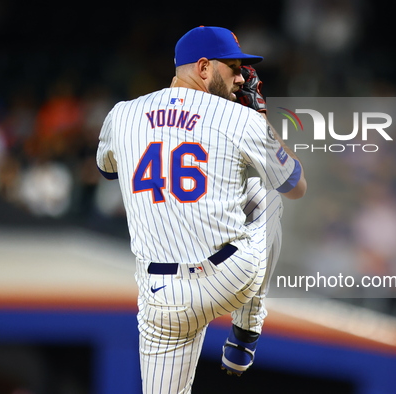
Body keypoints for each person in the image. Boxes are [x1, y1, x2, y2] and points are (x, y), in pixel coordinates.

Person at [96, 26, 306, 394]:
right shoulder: (240, 119)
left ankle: (243, 330)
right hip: (228, 276)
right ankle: (245, 331)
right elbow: (295, 185)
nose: (242, 78)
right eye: (235, 67)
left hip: (160, 297)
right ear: (205, 67)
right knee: (266, 192)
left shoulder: (121, 115)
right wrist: (260, 119)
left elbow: (107, 168)